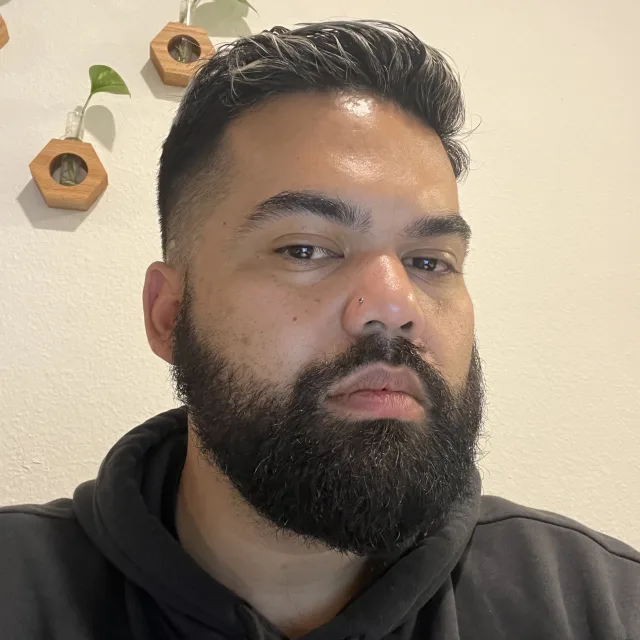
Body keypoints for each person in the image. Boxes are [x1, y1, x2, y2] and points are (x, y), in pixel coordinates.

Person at [1, 19, 638, 640]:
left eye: (428, 262)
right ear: (168, 315)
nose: (394, 305)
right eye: (305, 249)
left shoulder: (601, 607)